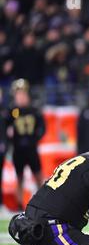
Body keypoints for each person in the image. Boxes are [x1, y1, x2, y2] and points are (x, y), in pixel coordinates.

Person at [6, 79, 45, 211]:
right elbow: (5, 127)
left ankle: (44, 201)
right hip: (18, 149)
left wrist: (35, 138)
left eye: (23, 94)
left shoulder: (33, 110)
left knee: (38, 175)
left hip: (32, 148)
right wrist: (9, 134)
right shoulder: (12, 111)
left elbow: (42, 127)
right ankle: (19, 205)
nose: (21, 97)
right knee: (19, 177)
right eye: (18, 94)